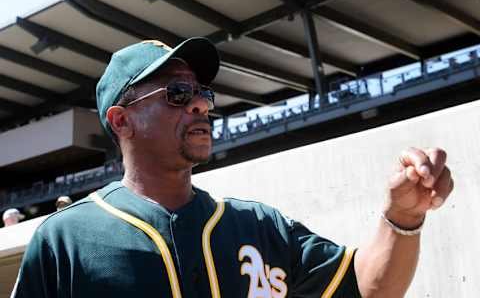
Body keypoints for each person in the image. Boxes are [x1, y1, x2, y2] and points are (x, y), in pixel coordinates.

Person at [12, 38, 454, 298]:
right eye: (178, 93)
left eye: (203, 92)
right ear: (122, 120)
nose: (201, 102)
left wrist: (404, 218)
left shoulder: (260, 226)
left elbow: (366, 288)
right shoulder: (66, 240)